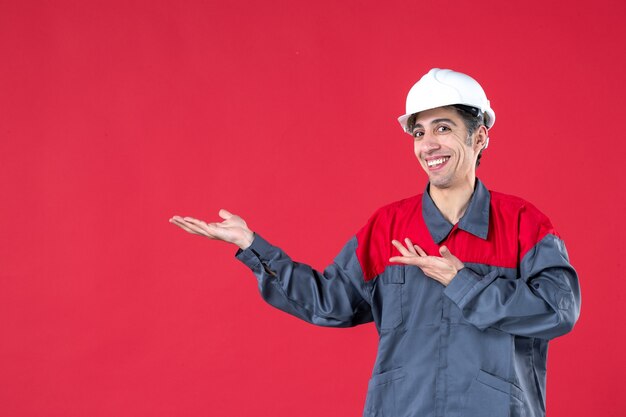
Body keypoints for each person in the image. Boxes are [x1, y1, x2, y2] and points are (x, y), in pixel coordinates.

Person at [169, 68, 581, 417]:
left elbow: (559, 311)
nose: (428, 144)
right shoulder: (388, 227)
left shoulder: (524, 224)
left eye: (444, 128)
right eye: (419, 132)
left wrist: (464, 282)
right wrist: (253, 245)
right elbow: (330, 303)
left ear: (479, 138)